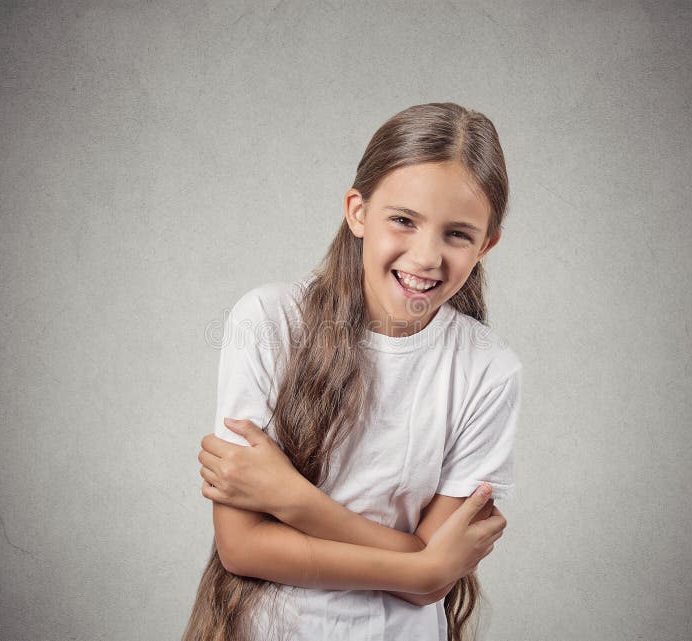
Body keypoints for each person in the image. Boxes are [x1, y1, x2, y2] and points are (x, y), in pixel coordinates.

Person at [183, 102, 522, 641]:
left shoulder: (489, 369)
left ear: (486, 244)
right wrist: (421, 567)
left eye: (458, 234)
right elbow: (242, 546)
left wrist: (293, 500)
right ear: (358, 211)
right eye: (404, 220)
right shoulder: (271, 321)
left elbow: (431, 580)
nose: (427, 256)